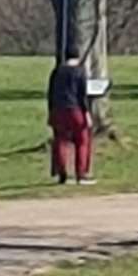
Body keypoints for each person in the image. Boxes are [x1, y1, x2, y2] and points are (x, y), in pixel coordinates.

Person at [46, 52, 94, 185]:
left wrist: (50, 112)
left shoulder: (56, 72)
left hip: (58, 109)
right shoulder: (79, 72)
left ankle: (62, 175)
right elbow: (82, 95)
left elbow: (50, 93)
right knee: (82, 141)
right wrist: (87, 113)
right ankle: (81, 174)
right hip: (75, 110)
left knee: (61, 141)